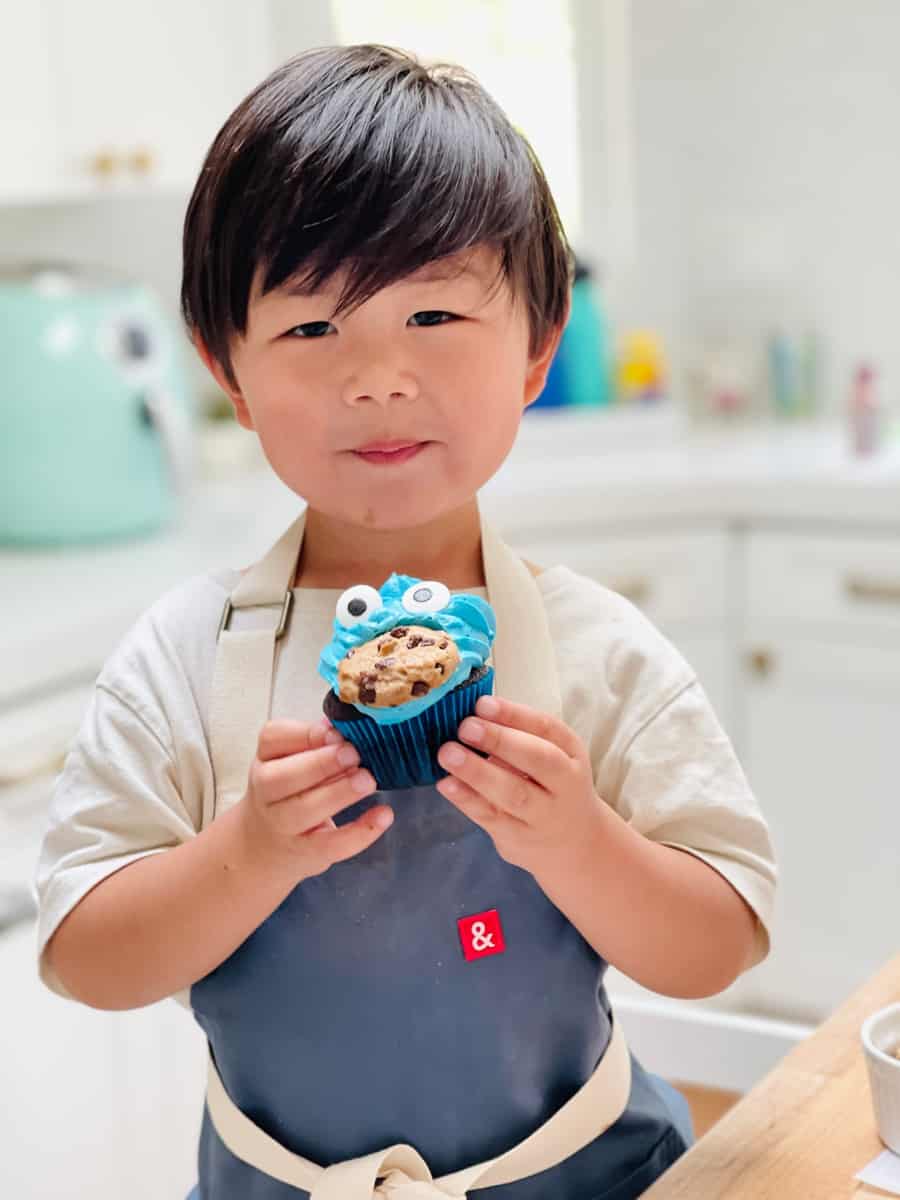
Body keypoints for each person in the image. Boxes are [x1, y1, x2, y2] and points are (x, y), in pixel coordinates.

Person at [35, 44, 776, 1199]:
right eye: (313, 330)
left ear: (539, 343)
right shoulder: (183, 663)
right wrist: (244, 856)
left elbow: (720, 945)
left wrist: (577, 841)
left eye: (432, 312)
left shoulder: (600, 652)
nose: (378, 377)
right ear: (223, 366)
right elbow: (86, 957)